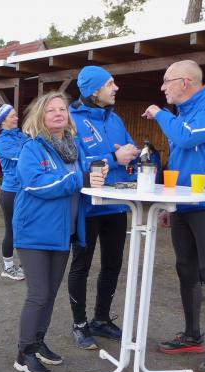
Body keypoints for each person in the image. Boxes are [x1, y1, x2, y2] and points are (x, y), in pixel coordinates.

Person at [142, 59, 205, 372]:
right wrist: (170, 204)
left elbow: (187, 138)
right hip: (183, 204)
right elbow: (180, 156)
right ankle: (192, 335)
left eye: (166, 81)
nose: (162, 87)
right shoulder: (183, 113)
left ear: (185, 82)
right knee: (185, 270)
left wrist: (160, 113)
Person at [12, 91, 106, 372]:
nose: (58, 113)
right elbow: (36, 184)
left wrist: (100, 173)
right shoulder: (32, 148)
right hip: (34, 231)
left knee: (50, 294)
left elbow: (85, 178)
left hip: (62, 232)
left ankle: (38, 342)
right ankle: (24, 353)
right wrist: (80, 179)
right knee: (39, 293)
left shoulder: (74, 148)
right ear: (40, 116)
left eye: (62, 109)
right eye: (51, 109)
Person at [67, 65, 140, 349]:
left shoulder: (115, 118)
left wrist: (135, 155)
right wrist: (113, 156)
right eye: (110, 83)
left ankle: (101, 319)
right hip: (88, 206)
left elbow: (129, 151)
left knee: (113, 264)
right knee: (81, 265)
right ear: (94, 90)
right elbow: (73, 162)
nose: (116, 88)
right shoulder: (72, 120)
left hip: (117, 205)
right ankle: (79, 324)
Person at [0, 103, 28, 281]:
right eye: (13, 115)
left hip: (26, 190)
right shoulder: (2, 141)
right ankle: (8, 268)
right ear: (3, 120)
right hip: (11, 192)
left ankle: (26, 264)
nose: (17, 118)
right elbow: (27, 156)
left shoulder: (20, 135)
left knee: (27, 229)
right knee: (12, 231)